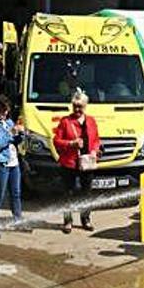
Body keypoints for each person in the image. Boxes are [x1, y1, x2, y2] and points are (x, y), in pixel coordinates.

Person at [52, 91, 102, 233]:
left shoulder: (91, 121)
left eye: (80, 106)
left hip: (88, 162)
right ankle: (67, 221)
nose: (77, 109)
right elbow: (56, 141)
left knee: (86, 193)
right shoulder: (65, 121)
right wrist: (71, 144)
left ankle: (86, 219)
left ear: (85, 106)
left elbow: (96, 139)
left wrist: (95, 150)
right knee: (68, 192)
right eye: (75, 106)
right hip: (70, 162)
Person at [0, 95, 25, 238]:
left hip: (14, 162)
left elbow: (15, 141)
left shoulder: (8, 122)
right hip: (1, 164)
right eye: (2, 111)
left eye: (6, 111)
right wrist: (10, 134)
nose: (5, 114)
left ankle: (18, 220)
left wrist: (21, 133)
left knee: (16, 193)